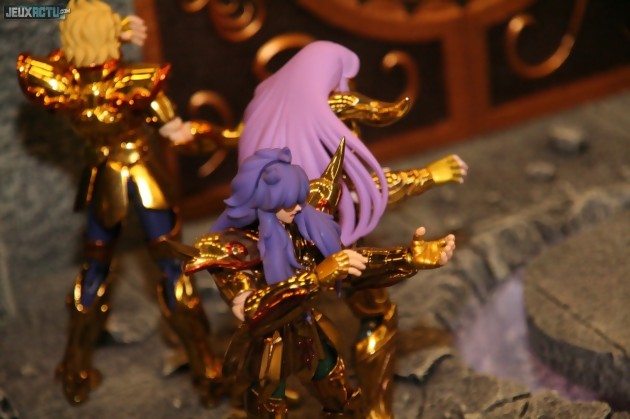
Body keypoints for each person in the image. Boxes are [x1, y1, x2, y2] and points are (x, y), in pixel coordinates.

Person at [16, 0, 234, 406]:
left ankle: (74, 371)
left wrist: (98, 30)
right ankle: (206, 369)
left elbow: (34, 27)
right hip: (143, 178)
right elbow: (178, 135)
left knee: (95, 268)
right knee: (172, 267)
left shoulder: (68, 87)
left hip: (102, 179)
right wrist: (224, 136)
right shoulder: (133, 83)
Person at [238, 40, 467, 417]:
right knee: (364, 317)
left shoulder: (266, 118)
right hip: (314, 254)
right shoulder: (324, 124)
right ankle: (376, 411)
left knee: (290, 345)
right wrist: (428, 175)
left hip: (291, 256)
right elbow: (361, 190)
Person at [179, 145, 455, 417]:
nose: (299, 207)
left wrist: (407, 258)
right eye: (289, 202)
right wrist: (316, 277)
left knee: (343, 402)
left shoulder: (302, 224)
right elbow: (253, 310)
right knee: (268, 409)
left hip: (307, 333)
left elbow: (351, 265)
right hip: (266, 349)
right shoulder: (235, 252)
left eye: (299, 198)